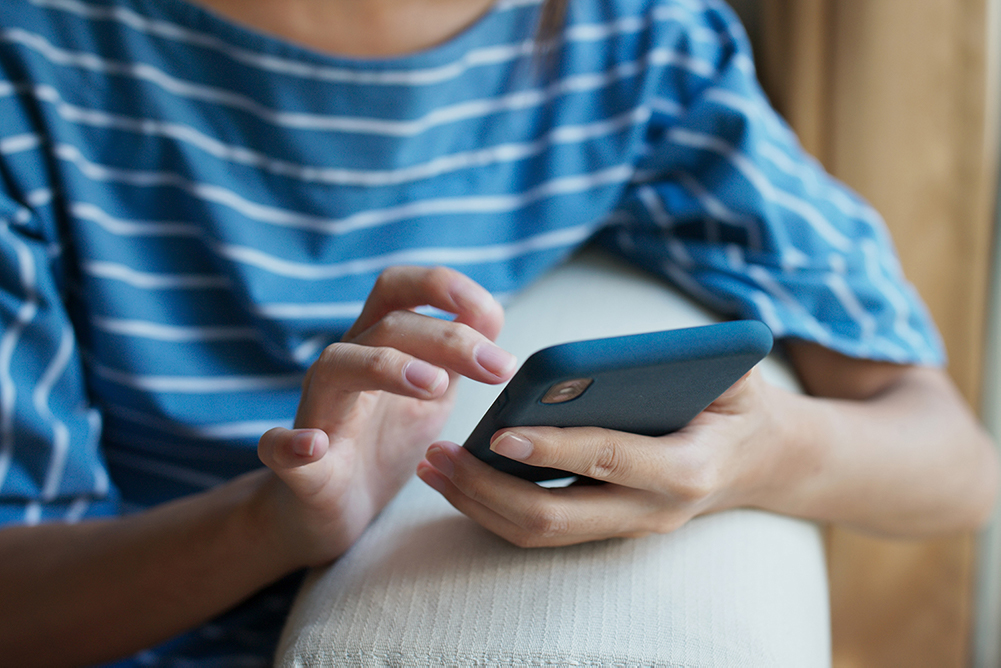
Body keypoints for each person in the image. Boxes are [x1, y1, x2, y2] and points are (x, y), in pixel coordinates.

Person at [0, 0, 996, 664]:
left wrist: (761, 452)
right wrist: (274, 522)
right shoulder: (33, 64)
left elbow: (954, 462)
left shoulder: (634, 40)